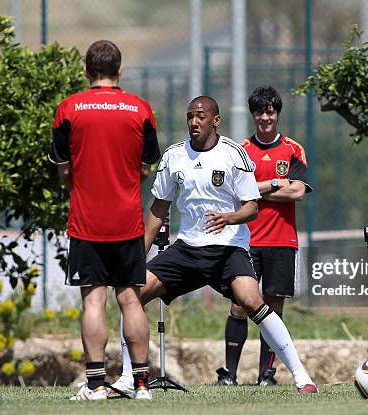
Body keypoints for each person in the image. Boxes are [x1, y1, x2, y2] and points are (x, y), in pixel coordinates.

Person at [112, 96, 317, 395]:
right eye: (190, 116)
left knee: (251, 300)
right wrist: (136, 259)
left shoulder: (234, 154)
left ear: (215, 121)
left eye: (201, 116)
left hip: (228, 247)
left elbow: (252, 208)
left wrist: (229, 218)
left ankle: (302, 377)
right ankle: (130, 379)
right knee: (132, 294)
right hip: (187, 248)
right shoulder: (173, 157)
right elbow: (158, 210)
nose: (194, 122)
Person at [48, 40, 160, 400]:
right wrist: (127, 182)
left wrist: (77, 184)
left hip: (86, 220)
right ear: (120, 71)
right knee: (130, 299)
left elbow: (63, 169)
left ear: (86, 71)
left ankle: (96, 384)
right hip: (127, 220)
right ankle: (141, 384)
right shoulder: (140, 109)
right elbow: (147, 167)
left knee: (93, 302)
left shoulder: (69, 109)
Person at [214, 86, 311, 387]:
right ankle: (229, 375)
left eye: (270, 111)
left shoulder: (293, 149)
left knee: (273, 309)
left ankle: (265, 376)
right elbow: (236, 193)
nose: (265, 117)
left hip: (282, 241)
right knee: (239, 305)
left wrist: (257, 190)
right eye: (260, 112)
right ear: (253, 115)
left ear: (277, 114)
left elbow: (298, 191)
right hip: (246, 242)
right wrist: (272, 184)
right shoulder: (241, 150)